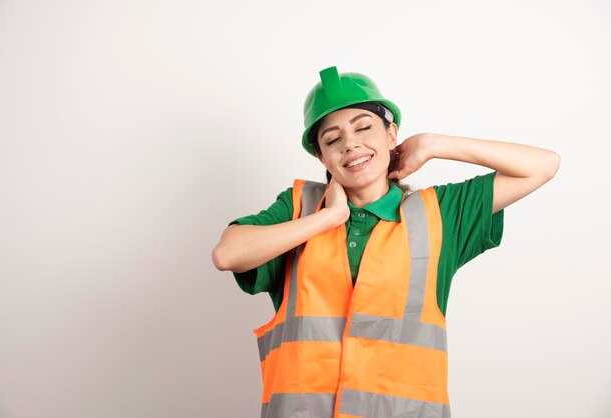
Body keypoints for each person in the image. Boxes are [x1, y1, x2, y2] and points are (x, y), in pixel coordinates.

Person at [212, 66, 560, 418]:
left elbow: (543, 165)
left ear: (391, 134)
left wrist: (434, 144)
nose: (351, 144)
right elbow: (228, 253)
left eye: (364, 127)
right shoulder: (299, 207)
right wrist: (327, 218)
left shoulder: (440, 214)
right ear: (322, 157)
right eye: (332, 139)